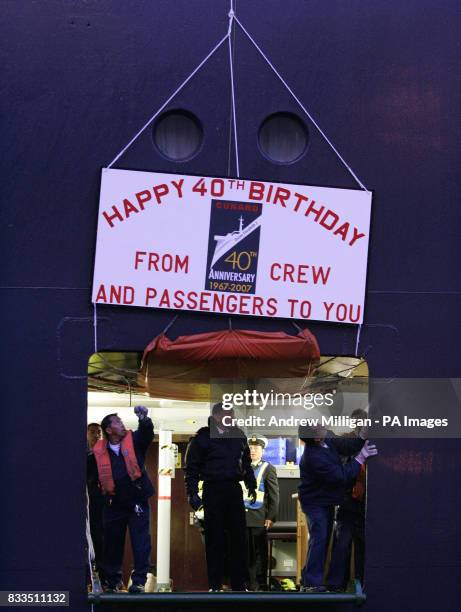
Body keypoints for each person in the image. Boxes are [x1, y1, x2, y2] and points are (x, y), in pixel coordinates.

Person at [184, 402, 257, 591]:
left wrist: (251, 484)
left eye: (232, 414)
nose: (232, 418)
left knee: (239, 538)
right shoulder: (203, 437)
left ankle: (239, 584)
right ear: (217, 416)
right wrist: (191, 493)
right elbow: (191, 468)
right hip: (212, 489)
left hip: (233, 489)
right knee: (215, 538)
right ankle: (215, 584)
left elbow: (247, 463)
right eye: (228, 415)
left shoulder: (238, 435)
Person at [298, 424, 377, 593]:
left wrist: (361, 437)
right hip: (314, 503)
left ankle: (308, 578)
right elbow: (340, 476)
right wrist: (360, 458)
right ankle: (312, 583)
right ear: (316, 438)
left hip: (325, 501)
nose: (321, 425)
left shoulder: (327, 438)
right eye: (316, 427)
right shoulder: (314, 456)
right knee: (319, 539)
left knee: (321, 540)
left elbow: (345, 446)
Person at [87, 406, 154, 593]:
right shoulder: (97, 453)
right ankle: (113, 581)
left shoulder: (134, 441)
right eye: (117, 422)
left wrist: (144, 419)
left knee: (140, 542)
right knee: (112, 543)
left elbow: (147, 434)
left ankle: (139, 581)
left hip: (137, 501)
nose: (122, 423)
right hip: (114, 503)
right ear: (109, 430)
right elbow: (90, 476)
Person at [327, 409, 369, 590]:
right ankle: (337, 585)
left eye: (361, 421)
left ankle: (362, 582)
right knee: (343, 544)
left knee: (362, 546)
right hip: (349, 499)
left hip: (364, 501)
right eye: (356, 421)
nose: (359, 424)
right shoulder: (346, 442)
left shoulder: (370, 440)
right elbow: (342, 467)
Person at [244, 435, 279, 591]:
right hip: (241, 518)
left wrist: (271, 517)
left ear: (262, 451)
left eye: (256, 448)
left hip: (258, 517)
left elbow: (274, 495)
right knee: (244, 553)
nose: (252, 451)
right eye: (250, 448)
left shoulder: (268, 468)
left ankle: (260, 585)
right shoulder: (240, 466)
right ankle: (246, 584)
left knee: (259, 553)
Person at [86, 423, 104, 584]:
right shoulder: (84, 457)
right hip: (87, 502)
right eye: (92, 432)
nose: (96, 435)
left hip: (102, 503)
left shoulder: (105, 456)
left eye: (99, 432)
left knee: (102, 538)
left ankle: (102, 576)